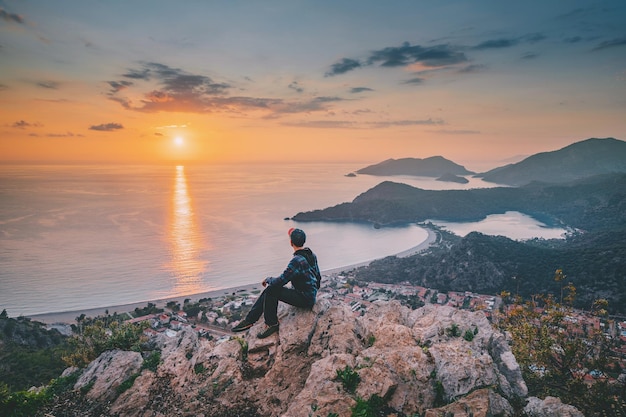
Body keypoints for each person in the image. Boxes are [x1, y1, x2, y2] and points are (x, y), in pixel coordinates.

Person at [232, 227, 321, 338]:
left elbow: (280, 281)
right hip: (309, 295)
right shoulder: (311, 255)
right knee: (270, 290)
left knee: (271, 290)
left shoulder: (297, 261)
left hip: (304, 298)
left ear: (291, 242)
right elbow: (318, 277)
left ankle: (271, 323)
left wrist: (268, 279)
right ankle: (250, 320)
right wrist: (313, 292)